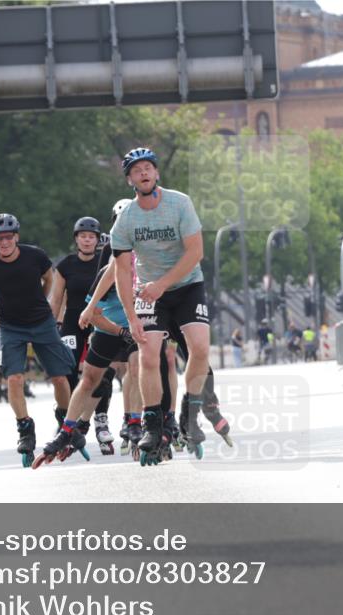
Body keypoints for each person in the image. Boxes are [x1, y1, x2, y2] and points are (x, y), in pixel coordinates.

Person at [110, 146, 212, 466]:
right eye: (136, 170)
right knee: (148, 355)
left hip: (186, 285)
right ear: (130, 180)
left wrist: (163, 284)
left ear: (157, 173)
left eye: (147, 168)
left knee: (200, 348)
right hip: (150, 293)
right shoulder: (126, 220)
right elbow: (122, 272)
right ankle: (152, 424)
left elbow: (195, 252)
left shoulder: (179, 203)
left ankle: (189, 409)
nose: (143, 173)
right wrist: (131, 318)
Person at [0, 213, 75, 468]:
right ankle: (25, 427)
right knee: (14, 377)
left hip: (42, 322)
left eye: (8, 237)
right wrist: (6, 309)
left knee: (59, 376)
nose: (4, 242)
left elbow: (49, 279)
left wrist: (39, 303)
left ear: (16, 237)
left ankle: (65, 421)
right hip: (11, 326)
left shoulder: (35, 256)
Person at [50, 216, 114, 448]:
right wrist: (52, 326)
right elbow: (57, 298)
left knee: (103, 374)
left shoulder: (104, 262)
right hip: (72, 324)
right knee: (67, 371)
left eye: (91, 237)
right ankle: (66, 423)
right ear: (76, 239)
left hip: (98, 320)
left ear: (97, 240)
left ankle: (100, 420)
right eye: (83, 236)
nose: (87, 241)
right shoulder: (65, 265)